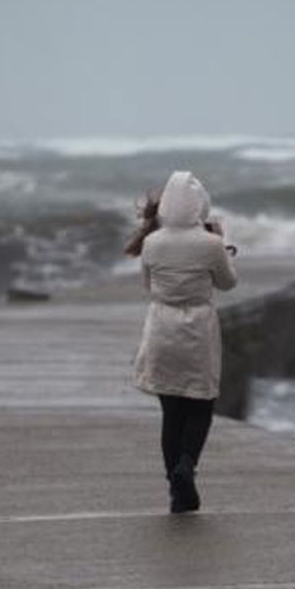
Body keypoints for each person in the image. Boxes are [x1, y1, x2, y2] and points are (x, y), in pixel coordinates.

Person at [126, 170, 238, 513]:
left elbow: (148, 285)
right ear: (199, 206)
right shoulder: (210, 244)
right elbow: (227, 283)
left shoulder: (152, 243)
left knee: (171, 411)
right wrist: (223, 243)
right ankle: (186, 465)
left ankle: (175, 488)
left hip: (161, 326)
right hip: (197, 328)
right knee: (200, 404)